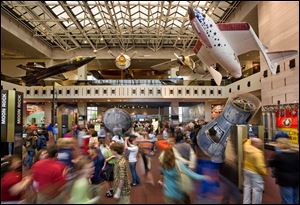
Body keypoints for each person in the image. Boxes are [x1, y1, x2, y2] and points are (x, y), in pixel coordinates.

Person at [268, 137, 299, 204]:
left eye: (277, 143)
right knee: (296, 199)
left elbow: (271, 164)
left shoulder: (279, 156)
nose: (276, 145)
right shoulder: (297, 154)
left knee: (287, 200)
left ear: (281, 144)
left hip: (285, 181)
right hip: (297, 179)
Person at [243, 137, 267, 204]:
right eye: (260, 143)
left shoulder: (246, 147)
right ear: (255, 143)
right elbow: (260, 166)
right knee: (257, 190)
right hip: (255, 172)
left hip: (246, 169)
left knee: (247, 187)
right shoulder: (258, 153)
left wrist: (250, 139)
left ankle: (246, 202)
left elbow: (247, 141)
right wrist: (264, 172)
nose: (261, 144)